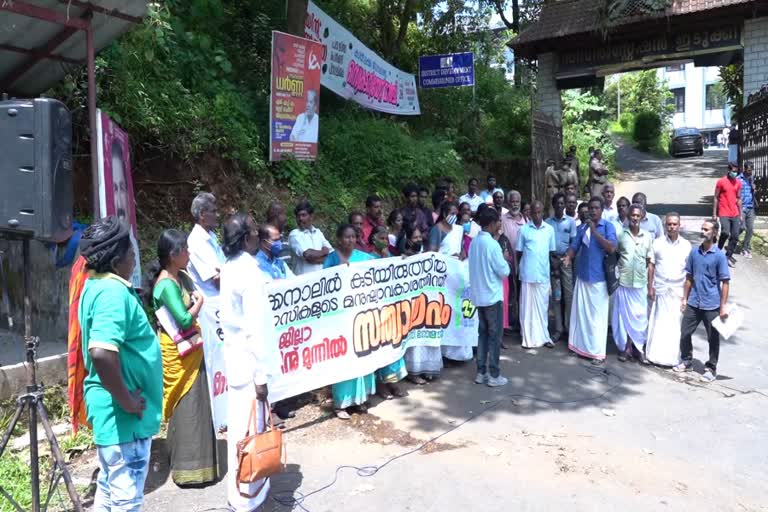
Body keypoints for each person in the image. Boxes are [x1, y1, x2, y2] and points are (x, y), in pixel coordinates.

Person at [78, 216, 162, 510]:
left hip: (114, 417)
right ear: (116, 262)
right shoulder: (113, 294)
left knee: (109, 492)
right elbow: (101, 353)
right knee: (127, 500)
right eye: (130, 254)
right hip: (125, 420)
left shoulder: (95, 284)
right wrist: (127, 401)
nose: (134, 259)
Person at [147, 229, 218, 486]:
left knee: (197, 402)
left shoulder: (181, 276)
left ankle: (202, 464)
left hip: (192, 350)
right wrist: (199, 302)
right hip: (177, 352)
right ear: (173, 255)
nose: (189, 254)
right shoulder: (166, 284)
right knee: (184, 405)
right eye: (185, 250)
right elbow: (185, 319)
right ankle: (186, 467)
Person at [219, 213, 276, 510]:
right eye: (254, 231)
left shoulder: (229, 267)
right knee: (251, 434)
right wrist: (262, 377)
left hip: (236, 360)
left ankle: (240, 495)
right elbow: (255, 329)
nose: (258, 234)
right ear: (244, 239)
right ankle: (247, 499)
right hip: (250, 364)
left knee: (240, 432)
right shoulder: (250, 273)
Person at [324, 224, 377, 419]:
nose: (351, 240)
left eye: (354, 237)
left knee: (363, 354)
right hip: (339, 317)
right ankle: (341, 403)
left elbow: (382, 268)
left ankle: (360, 399)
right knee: (343, 358)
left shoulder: (363, 258)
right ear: (338, 239)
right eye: (346, 237)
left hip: (360, 314)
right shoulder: (331, 259)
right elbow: (324, 285)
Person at [673, 220, 731, 383]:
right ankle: (686, 360)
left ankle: (711, 368)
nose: (703, 231)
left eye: (706, 229)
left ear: (714, 233)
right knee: (685, 333)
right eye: (702, 229)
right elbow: (689, 277)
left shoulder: (719, 256)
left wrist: (723, 306)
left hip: (712, 304)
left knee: (713, 338)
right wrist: (684, 298)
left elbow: (725, 282)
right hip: (693, 301)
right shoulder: (694, 253)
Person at [564, 196, 618, 365]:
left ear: (601, 210)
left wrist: (595, 232)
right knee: (580, 316)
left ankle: (596, 353)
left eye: (596, 208)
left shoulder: (608, 227)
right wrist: (568, 257)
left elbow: (611, 247)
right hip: (583, 277)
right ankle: (579, 348)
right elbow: (575, 246)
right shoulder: (582, 228)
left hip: (599, 279)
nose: (593, 211)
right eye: (591, 208)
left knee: (597, 318)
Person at [255, 223, 296, 421]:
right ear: (264, 242)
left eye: (281, 238)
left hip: (282, 319)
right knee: (267, 363)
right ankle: (268, 412)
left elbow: (293, 279)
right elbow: (266, 286)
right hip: (266, 319)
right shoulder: (257, 263)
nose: (280, 243)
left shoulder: (278, 261)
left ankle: (280, 403)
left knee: (281, 361)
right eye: (276, 239)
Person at [469, 207, 511, 387]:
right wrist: (504, 257)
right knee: (494, 336)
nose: (499, 225)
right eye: (497, 222)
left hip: (479, 296)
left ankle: (481, 372)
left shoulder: (474, 243)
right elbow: (504, 271)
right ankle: (494, 375)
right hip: (492, 297)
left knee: (483, 334)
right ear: (492, 224)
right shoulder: (492, 245)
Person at [646, 212, 691, 366]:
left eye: (674, 224)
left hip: (677, 291)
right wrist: (650, 287)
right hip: (661, 289)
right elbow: (651, 266)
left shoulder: (686, 245)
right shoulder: (657, 243)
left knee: (675, 325)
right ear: (665, 226)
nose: (672, 227)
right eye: (669, 224)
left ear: (679, 226)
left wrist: (686, 296)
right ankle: (654, 356)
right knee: (659, 322)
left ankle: (673, 358)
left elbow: (689, 273)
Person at [612, 204, 654, 363]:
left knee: (640, 317)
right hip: (623, 283)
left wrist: (650, 287)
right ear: (628, 217)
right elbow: (614, 257)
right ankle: (624, 349)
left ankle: (638, 349)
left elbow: (650, 262)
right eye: (632, 215)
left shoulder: (648, 236)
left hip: (640, 284)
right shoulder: (620, 235)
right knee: (623, 318)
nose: (635, 218)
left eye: (638, 216)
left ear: (642, 217)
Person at [399, 224, 441, 384]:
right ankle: (413, 371)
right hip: (411, 304)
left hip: (428, 301)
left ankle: (427, 369)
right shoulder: (403, 258)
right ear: (408, 240)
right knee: (413, 337)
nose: (418, 240)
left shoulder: (427, 255)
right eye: (414, 237)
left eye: (419, 237)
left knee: (427, 334)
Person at [516, 201, 556, 349]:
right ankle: (527, 338)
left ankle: (544, 337)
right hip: (527, 274)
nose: (537, 215)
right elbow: (519, 252)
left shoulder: (549, 230)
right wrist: (519, 270)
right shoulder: (524, 230)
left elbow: (551, 253)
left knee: (542, 308)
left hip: (543, 274)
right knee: (527, 308)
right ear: (530, 213)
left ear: (543, 212)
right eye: (534, 213)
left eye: (539, 212)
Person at [546, 193, 577, 343]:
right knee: (557, 297)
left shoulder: (570, 222)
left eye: (561, 203)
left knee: (569, 295)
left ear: (564, 205)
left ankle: (570, 329)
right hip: (553, 262)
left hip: (566, 261)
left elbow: (573, 243)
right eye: (556, 203)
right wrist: (554, 262)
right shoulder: (547, 223)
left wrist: (566, 258)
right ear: (553, 205)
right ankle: (558, 329)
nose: (559, 206)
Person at [187, 192, 225, 297]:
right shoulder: (196, 241)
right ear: (202, 214)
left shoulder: (210, 236)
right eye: (214, 211)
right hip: (213, 305)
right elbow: (218, 280)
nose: (217, 215)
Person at [501, 190, 527, 332]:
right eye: (512, 201)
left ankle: (519, 321)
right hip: (507, 263)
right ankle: (507, 322)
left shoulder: (526, 220)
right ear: (508, 202)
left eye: (517, 201)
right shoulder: (503, 219)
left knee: (521, 292)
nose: (515, 204)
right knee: (508, 292)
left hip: (522, 263)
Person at [289, 200, 333, 275]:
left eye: (303, 215)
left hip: (320, 280)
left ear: (311, 216)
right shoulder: (294, 234)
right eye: (298, 216)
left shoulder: (318, 233)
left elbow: (332, 254)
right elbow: (307, 254)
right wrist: (324, 252)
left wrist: (314, 258)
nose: (300, 219)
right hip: (303, 282)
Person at [713, 163, 742, 266]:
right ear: (728, 170)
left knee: (735, 236)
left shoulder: (738, 183)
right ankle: (718, 249)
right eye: (733, 171)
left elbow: (738, 198)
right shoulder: (721, 182)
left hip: (735, 212)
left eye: (736, 171)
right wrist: (714, 213)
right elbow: (716, 197)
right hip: (724, 211)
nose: (735, 173)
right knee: (725, 232)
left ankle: (728, 256)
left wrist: (741, 214)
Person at [266, 201, 293, 268]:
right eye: (283, 214)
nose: (286, 218)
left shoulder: (284, 236)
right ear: (275, 215)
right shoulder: (266, 239)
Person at [739, 162, 757, 259]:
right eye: (749, 170)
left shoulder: (751, 179)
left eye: (751, 170)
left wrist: (754, 189)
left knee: (750, 229)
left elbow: (752, 192)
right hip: (741, 207)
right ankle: (733, 237)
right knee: (742, 227)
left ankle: (745, 248)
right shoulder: (738, 179)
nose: (750, 172)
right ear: (744, 169)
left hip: (750, 207)